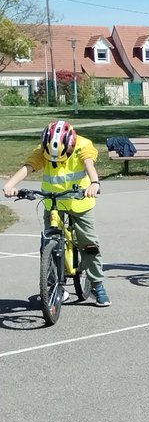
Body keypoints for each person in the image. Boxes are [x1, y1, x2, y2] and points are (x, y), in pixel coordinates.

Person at [2, 120, 110, 306]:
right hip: (53, 202)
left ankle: (97, 284)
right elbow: (29, 166)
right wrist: (11, 185)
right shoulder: (43, 149)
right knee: (49, 244)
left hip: (80, 202)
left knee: (89, 243)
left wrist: (94, 183)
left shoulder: (83, 145)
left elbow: (89, 165)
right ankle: (53, 285)